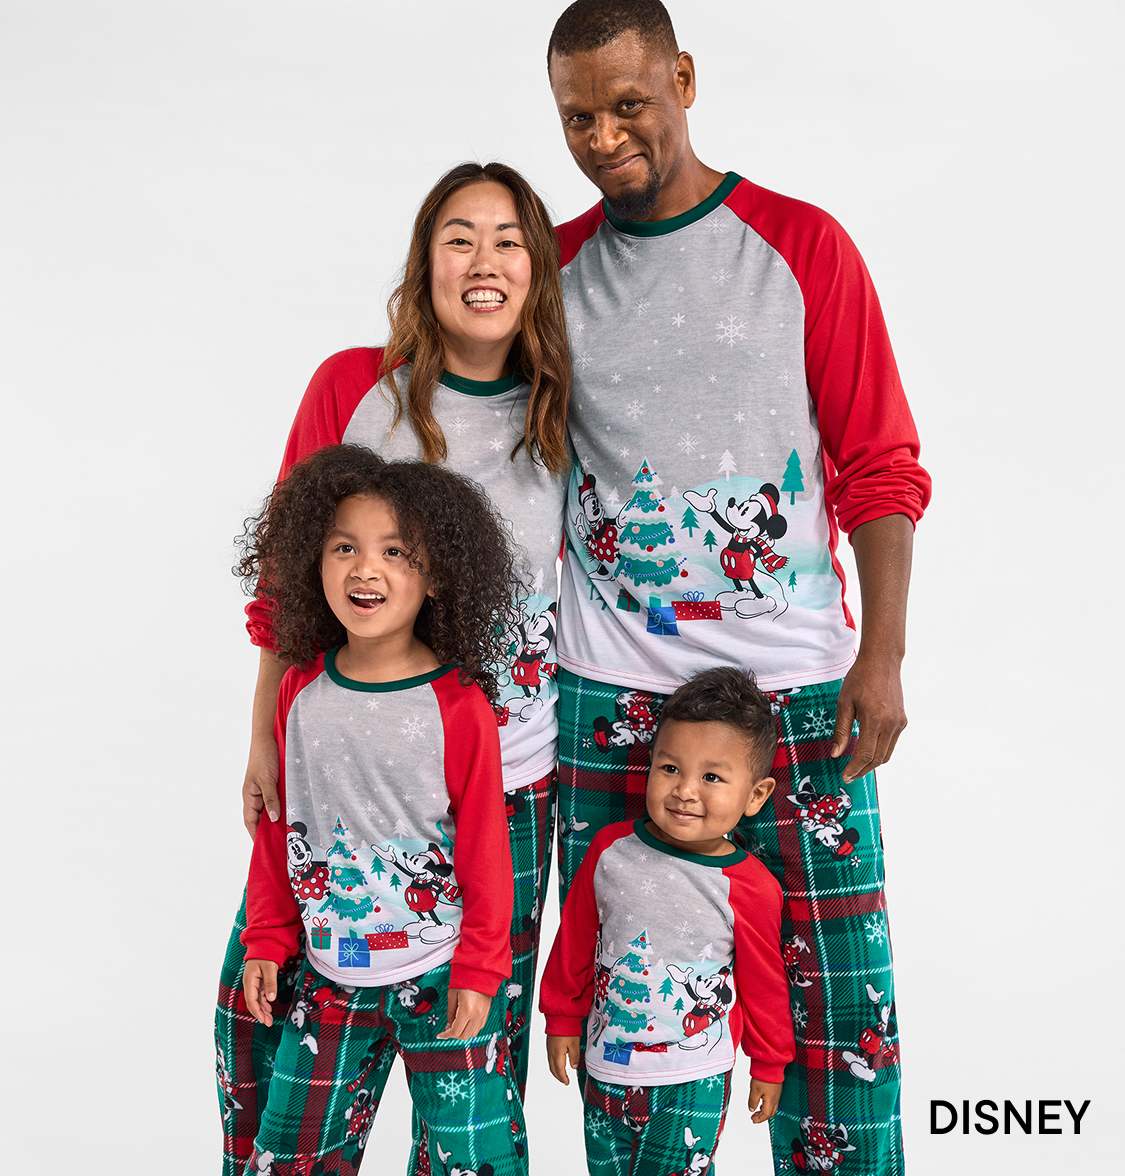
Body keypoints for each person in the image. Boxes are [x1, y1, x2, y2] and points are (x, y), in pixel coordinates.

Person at [546, 2, 931, 1172]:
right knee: (638, 1028)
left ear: (685, 78)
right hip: (610, 702)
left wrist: (885, 653)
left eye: (629, 103)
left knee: (835, 1018)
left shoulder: (803, 246)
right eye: (577, 117)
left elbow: (879, 462)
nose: (607, 135)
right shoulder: (549, 270)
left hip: (801, 693)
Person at [216, 163, 570, 1174]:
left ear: (539, 271)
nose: (484, 261)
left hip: (498, 786)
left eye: (509, 240)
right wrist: (262, 734)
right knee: (266, 1026)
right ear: (425, 262)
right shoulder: (350, 388)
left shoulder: (564, 417)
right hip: (337, 769)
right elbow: (288, 584)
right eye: (459, 237)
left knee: (466, 1074)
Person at [238, 444, 526, 1175]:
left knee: (474, 1158)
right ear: (315, 562)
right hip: (328, 972)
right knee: (288, 1156)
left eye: (395, 552)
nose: (365, 570)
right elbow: (279, 828)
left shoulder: (458, 704)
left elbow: (487, 847)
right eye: (344, 548)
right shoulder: (298, 690)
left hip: (439, 971)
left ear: (433, 577)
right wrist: (267, 939)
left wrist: (481, 968)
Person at [539, 668, 795, 1175]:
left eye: (712, 777)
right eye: (670, 768)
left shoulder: (750, 885)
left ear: (756, 795)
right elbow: (574, 941)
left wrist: (768, 1062)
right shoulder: (610, 850)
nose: (685, 791)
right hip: (606, 1065)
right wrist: (563, 1018)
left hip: (694, 1074)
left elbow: (763, 982)